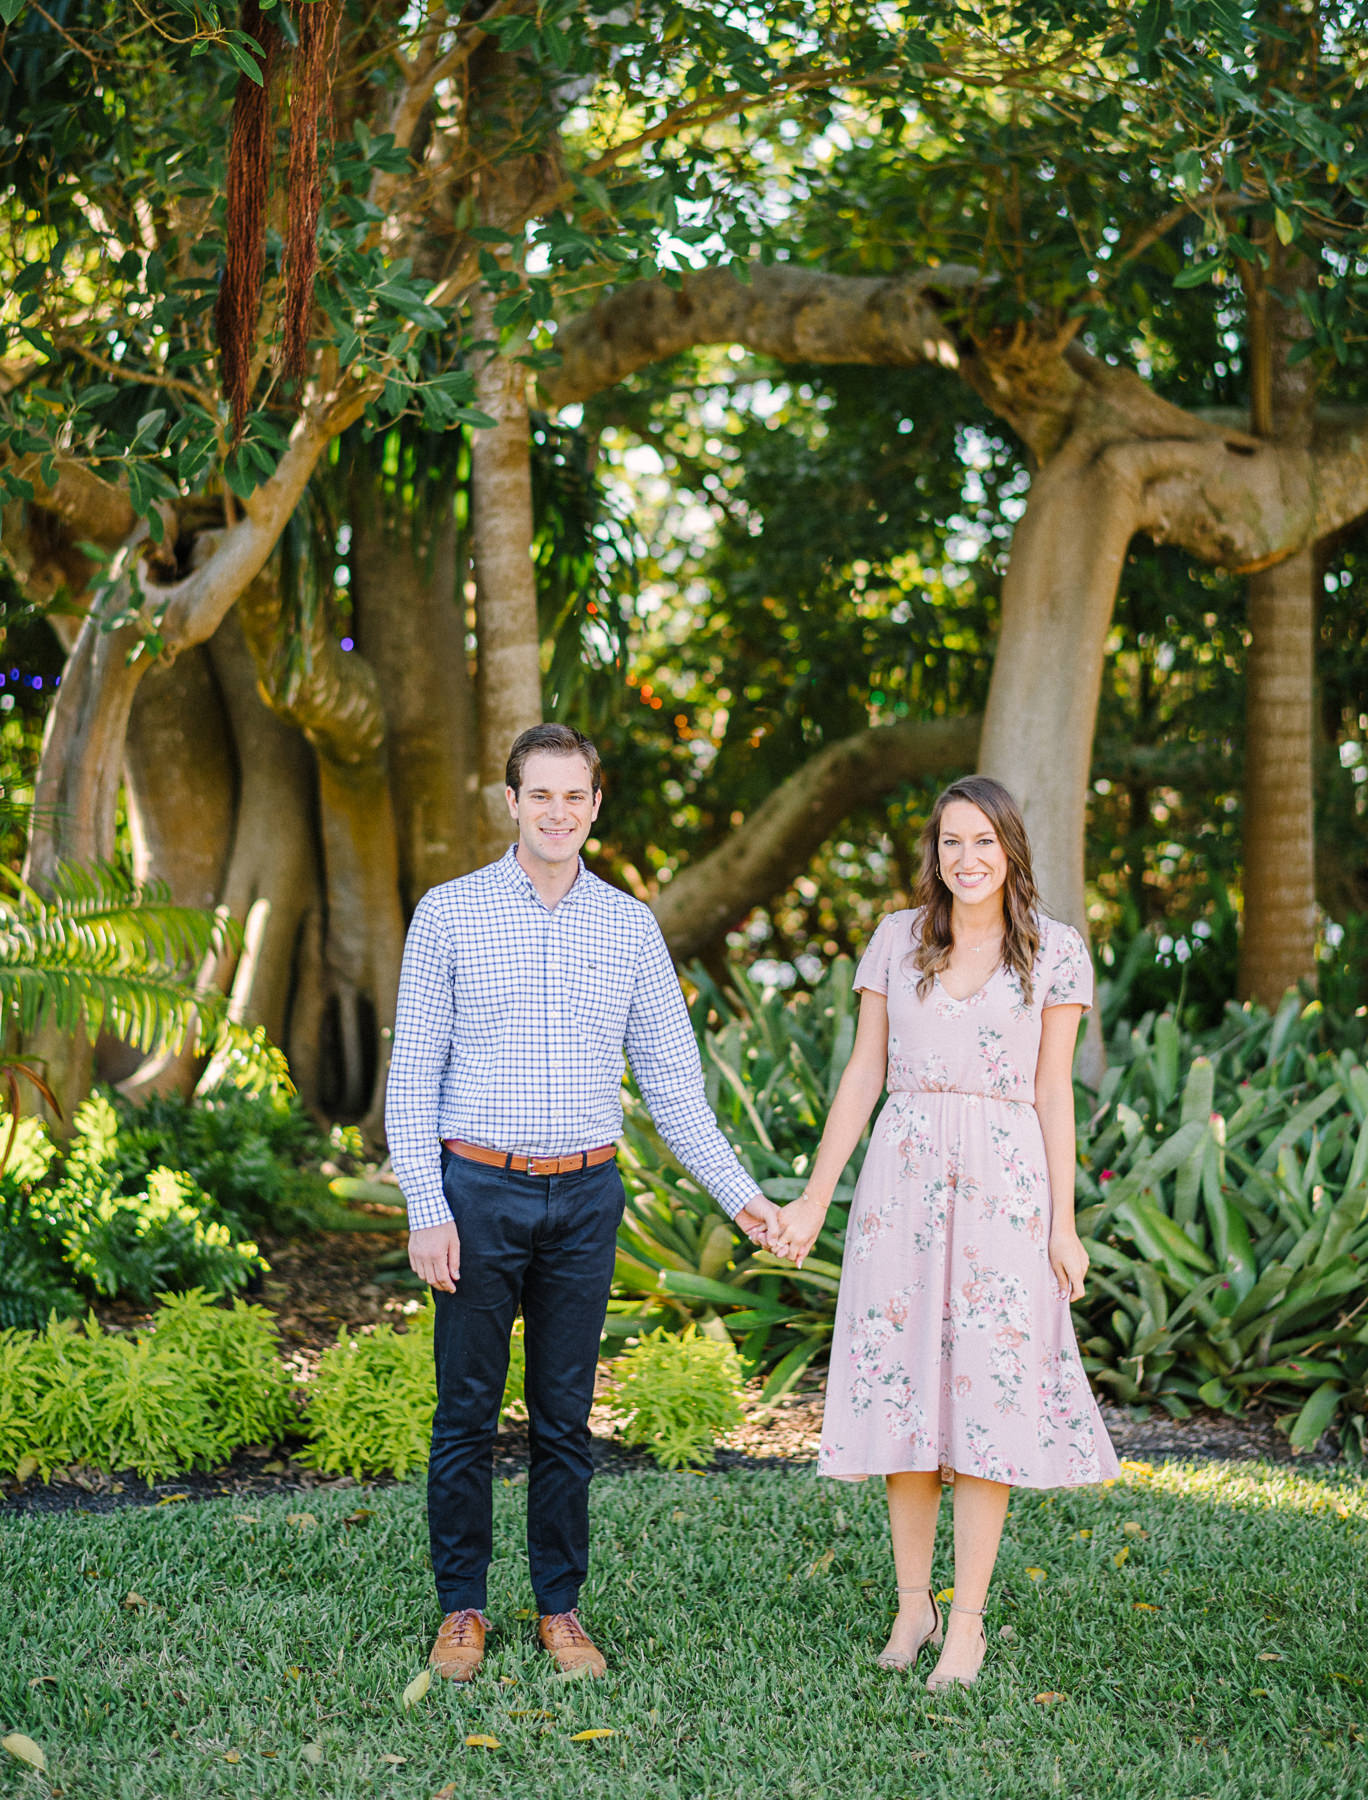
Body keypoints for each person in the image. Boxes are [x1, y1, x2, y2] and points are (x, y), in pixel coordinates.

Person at [386, 722, 783, 1683]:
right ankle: (462, 1610)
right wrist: (425, 1208)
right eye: (541, 795)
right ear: (511, 802)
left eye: (577, 797)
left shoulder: (629, 928)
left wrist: (745, 1202)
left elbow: (676, 1090)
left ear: (595, 807)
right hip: (476, 1191)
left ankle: (559, 1610)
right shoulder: (449, 913)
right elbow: (411, 1079)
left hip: (585, 1200)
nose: (559, 812)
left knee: (565, 1419)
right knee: (466, 1414)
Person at [773, 775, 1119, 1689]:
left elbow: (1054, 1097)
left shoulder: (1056, 952)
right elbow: (863, 1072)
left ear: (1011, 851)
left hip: (1005, 1187)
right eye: (950, 842)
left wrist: (1064, 1226)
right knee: (905, 1392)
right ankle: (911, 1602)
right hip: (903, 1180)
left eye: (983, 843)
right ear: (934, 852)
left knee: (986, 1406)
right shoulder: (898, 940)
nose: (966, 859)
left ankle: (966, 1622)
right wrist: (815, 1196)